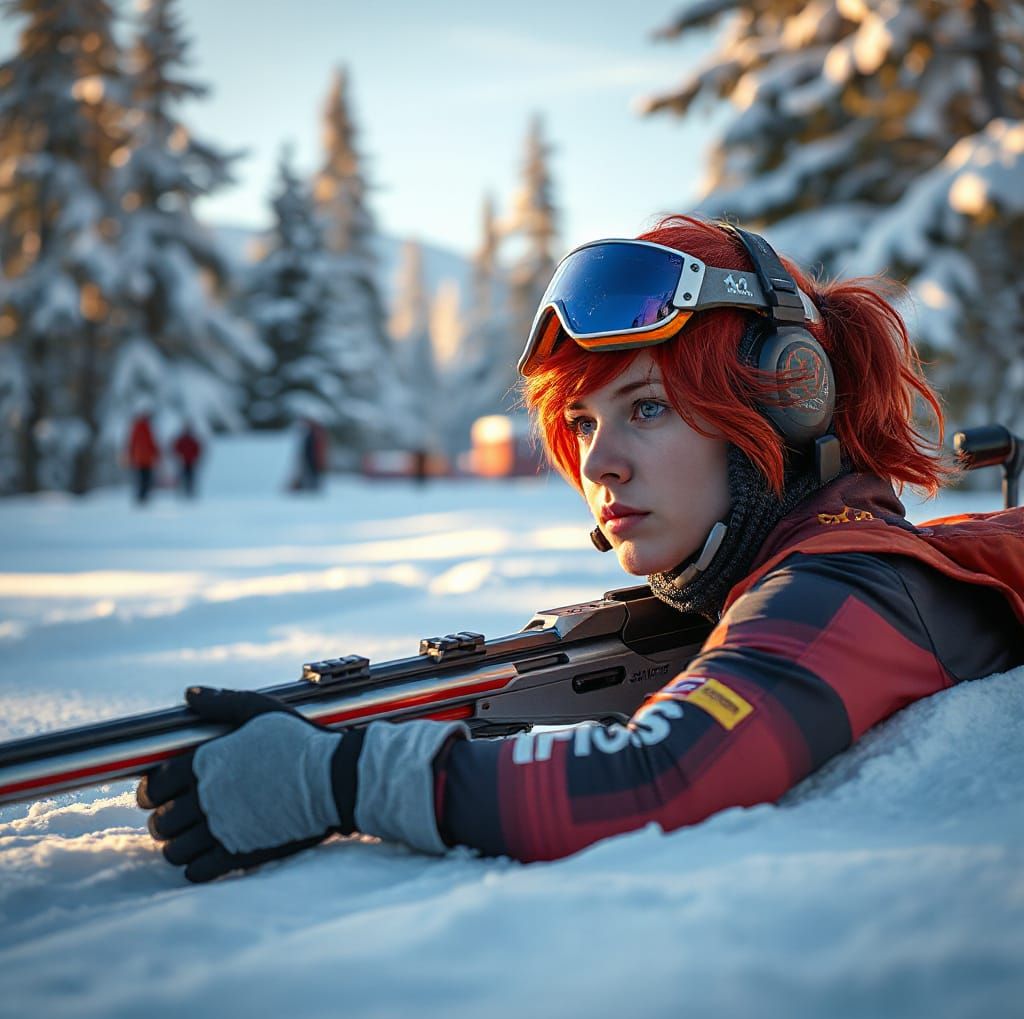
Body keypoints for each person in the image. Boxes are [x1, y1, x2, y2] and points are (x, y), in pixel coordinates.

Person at [137, 215, 1024, 883]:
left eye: (646, 407)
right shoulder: (833, 565)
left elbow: (656, 780)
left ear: (783, 404)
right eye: (583, 421)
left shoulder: (842, 587)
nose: (599, 461)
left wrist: (341, 777)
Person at [127, 411, 160, 504]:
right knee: (145, 478)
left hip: (140, 458)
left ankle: (142, 496)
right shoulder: (146, 427)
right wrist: (156, 453)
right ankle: (143, 496)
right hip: (145, 458)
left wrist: (131, 454)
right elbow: (152, 442)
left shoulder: (136, 427)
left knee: (141, 477)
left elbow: (132, 443)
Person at [172, 424, 203, 499]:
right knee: (183, 477)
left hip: (190, 462)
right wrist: (179, 456)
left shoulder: (191, 440)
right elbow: (176, 448)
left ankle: (189, 492)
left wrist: (195, 457)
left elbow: (197, 449)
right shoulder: (183, 440)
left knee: (190, 478)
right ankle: (183, 492)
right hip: (183, 461)